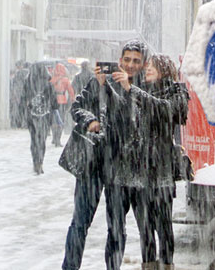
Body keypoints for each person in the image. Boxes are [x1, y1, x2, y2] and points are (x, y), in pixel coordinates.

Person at [62, 40, 148, 270]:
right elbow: (77, 107)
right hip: (93, 161)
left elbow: (139, 121)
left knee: (117, 226)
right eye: (127, 59)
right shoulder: (102, 80)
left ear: (143, 64)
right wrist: (90, 120)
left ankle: (113, 267)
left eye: (136, 61)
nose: (130, 65)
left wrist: (127, 90)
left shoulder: (142, 89)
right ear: (119, 61)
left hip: (121, 165)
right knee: (80, 222)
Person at [127, 54, 190, 270]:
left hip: (161, 170)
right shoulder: (135, 90)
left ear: (163, 68)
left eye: (151, 66)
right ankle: (149, 265)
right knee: (144, 229)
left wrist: (136, 93)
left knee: (164, 227)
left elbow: (170, 111)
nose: (147, 69)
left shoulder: (176, 91)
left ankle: (166, 265)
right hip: (139, 169)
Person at [20, 62, 58, 175]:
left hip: (32, 115)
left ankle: (35, 161)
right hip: (45, 116)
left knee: (34, 140)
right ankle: (40, 162)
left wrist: (23, 112)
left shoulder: (28, 83)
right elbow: (55, 103)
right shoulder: (48, 84)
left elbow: (22, 99)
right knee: (42, 140)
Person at [50, 63, 75, 147]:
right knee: (60, 121)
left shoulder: (51, 79)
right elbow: (71, 91)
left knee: (54, 121)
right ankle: (58, 140)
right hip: (62, 101)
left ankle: (54, 138)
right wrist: (72, 99)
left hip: (52, 101)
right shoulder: (65, 80)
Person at [10, 60, 29, 128]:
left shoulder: (19, 73)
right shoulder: (28, 73)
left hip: (18, 94)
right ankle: (25, 124)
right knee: (25, 110)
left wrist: (14, 93)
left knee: (17, 110)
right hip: (25, 94)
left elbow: (15, 85)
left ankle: (16, 124)